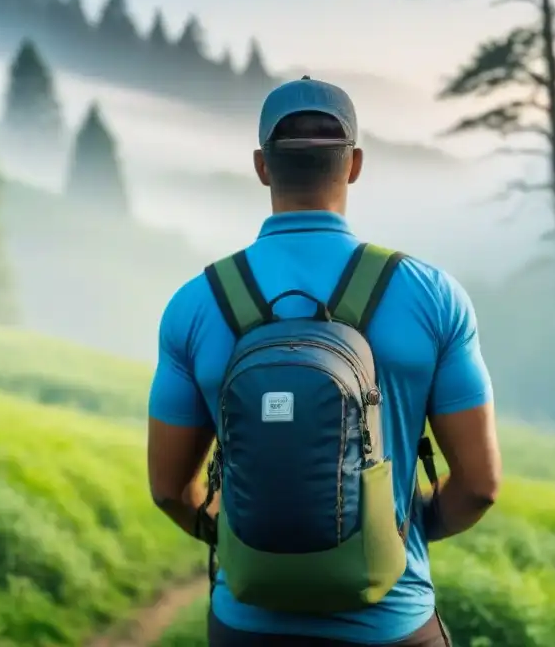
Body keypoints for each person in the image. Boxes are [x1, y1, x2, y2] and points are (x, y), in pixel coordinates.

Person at [147, 76, 502, 646]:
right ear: (355, 164)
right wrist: (394, 530)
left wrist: (250, 541)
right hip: (391, 623)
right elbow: (480, 486)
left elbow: (168, 488)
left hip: (246, 626)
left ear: (262, 166)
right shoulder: (432, 295)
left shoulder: (197, 303)